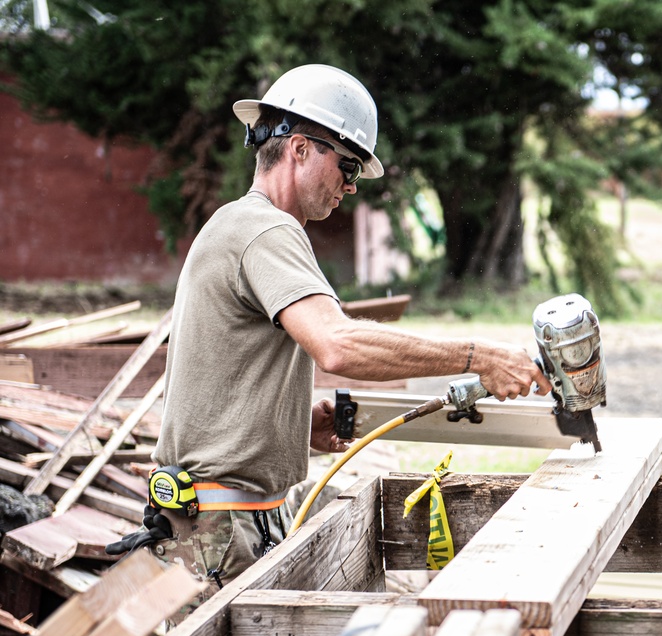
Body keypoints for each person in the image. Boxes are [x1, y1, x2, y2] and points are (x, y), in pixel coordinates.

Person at [108, 64, 550, 604]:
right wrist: (477, 356)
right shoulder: (266, 230)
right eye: (346, 166)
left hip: (216, 519)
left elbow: (224, 373)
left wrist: (289, 425)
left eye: (357, 173)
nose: (350, 184)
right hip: (218, 530)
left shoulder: (238, 224)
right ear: (298, 149)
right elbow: (337, 345)